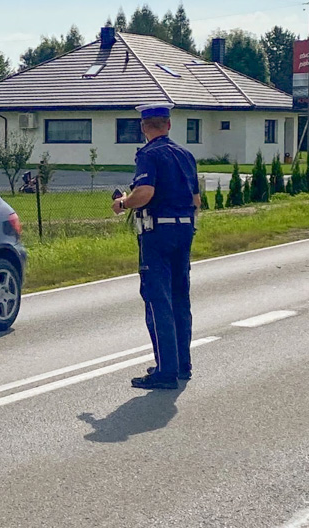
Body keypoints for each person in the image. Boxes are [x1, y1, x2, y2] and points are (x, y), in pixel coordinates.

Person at [112, 103, 202, 390]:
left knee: (157, 298)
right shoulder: (186, 156)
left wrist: (123, 202)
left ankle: (165, 370)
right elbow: (196, 200)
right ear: (169, 125)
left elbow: (146, 193)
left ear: (143, 127)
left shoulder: (148, 154)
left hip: (157, 232)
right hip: (185, 228)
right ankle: (181, 363)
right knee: (179, 297)